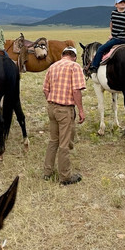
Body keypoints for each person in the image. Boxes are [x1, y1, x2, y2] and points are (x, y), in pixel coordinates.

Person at [42, 45, 87, 185]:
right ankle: (65, 176)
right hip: (65, 109)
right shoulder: (74, 67)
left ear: (63, 55)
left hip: (52, 108)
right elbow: (76, 91)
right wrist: (80, 109)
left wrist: (52, 101)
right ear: (74, 56)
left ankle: (47, 172)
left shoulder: (53, 66)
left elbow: (45, 89)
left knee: (53, 140)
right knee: (64, 143)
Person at [87, 0, 125, 76]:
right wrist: (111, 34)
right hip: (115, 37)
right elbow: (111, 23)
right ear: (116, 5)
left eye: (124, 2)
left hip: (120, 39)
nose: (123, 3)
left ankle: (94, 66)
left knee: (101, 49)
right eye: (120, 2)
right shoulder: (113, 13)